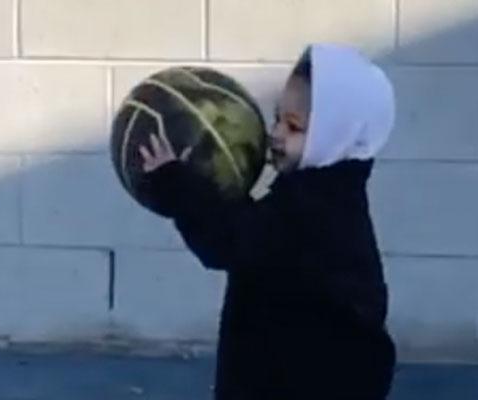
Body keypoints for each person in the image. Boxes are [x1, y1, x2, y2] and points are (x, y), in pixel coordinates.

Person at [138, 43, 397, 399]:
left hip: (313, 378)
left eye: (294, 127)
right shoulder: (325, 194)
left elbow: (228, 242)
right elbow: (251, 235)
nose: (275, 133)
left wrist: (177, 183)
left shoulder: (315, 209)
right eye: (277, 118)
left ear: (333, 135)